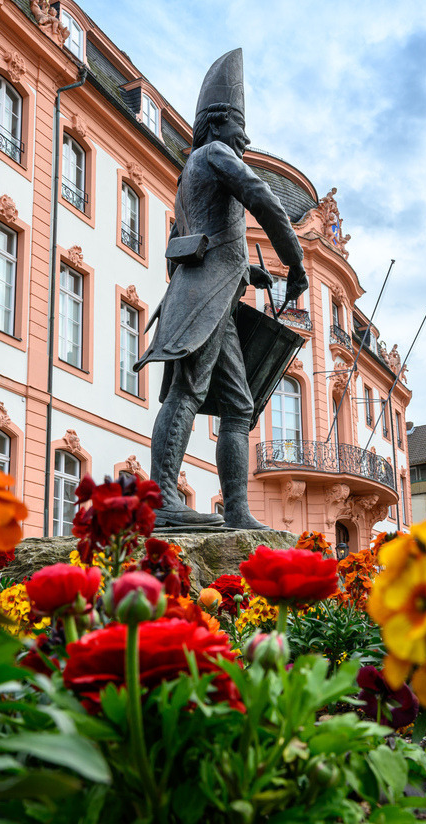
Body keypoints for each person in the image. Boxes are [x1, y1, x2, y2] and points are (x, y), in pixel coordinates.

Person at [134, 49, 308, 529]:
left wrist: (246, 273)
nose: (245, 136)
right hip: (205, 300)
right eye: (237, 123)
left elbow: (190, 242)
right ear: (214, 126)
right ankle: (162, 498)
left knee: (238, 405)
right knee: (187, 393)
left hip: (216, 300)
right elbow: (263, 198)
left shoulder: (188, 175)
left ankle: (235, 510)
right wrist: (294, 261)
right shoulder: (214, 155)